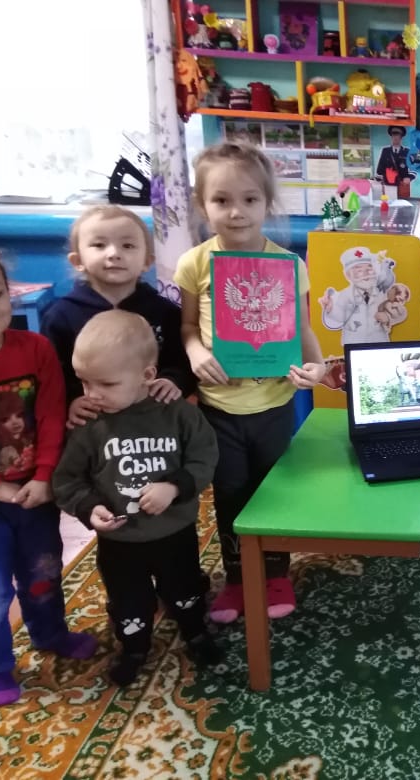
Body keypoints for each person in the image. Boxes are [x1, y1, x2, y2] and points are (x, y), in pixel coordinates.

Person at [173, 142, 326, 624]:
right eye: (221, 200)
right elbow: (187, 328)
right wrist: (196, 353)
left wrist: (317, 367)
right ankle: (238, 578)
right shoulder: (195, 263)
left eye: (249, 199)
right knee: (230, 494)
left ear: (267, 203)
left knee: (273, 491)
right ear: (203, 206)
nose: (236, 211)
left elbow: (302, 330)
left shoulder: (289, 265)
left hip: (274, 404)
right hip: (219, 408)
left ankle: (276, 574)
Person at [52, 311, 221, 686]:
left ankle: (195, 632)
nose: (92, 395)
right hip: (120, 541)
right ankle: (134, 648)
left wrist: (173, 487)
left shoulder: (177, 414)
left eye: (106, 384)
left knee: (185, 588)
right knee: (128, 601)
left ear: (147, 375)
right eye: (84, 382)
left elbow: (204, 458)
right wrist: (89, 507)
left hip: (173, 532)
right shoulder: (89, 425)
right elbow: (67, 480)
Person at [0, 243, 98, 707]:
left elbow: (50, 414)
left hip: (35, 491)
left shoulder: (37, 348)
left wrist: (44, 475)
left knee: (43, 569)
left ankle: (50, 633)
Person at [41, 205, 194, 426]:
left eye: (128, 245)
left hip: (154, 418)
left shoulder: (165, 312)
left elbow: (181, 361)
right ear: (77, 261)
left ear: (147, 261)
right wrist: (72, 401)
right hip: (93, 422)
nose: (114, 253)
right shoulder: (61, 316)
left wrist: (173, 381)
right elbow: (53, 375)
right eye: (99, 245)